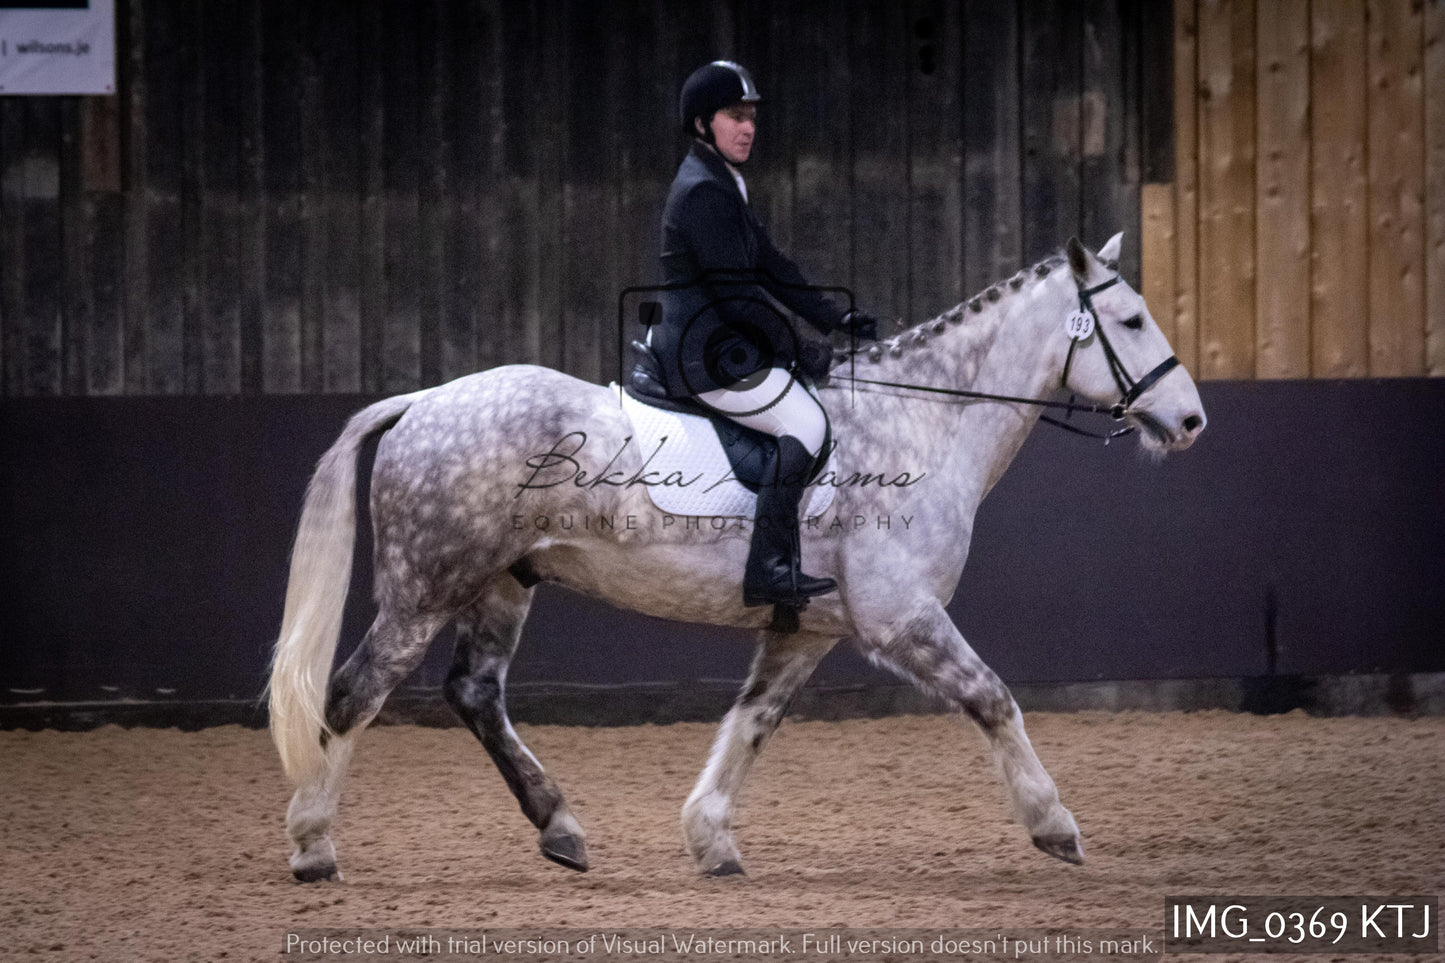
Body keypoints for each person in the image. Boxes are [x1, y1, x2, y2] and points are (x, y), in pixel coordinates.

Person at [650, 60, 882, 610]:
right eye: (735, 116)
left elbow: (770, 265)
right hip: (703, 357)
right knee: (806, 425)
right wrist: (804, 352)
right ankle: (770, 571)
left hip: (722, 343)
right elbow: (739, 299)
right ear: (703, 124)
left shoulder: (722, 179)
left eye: (751, 116)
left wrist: (834, 317)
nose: (749, 127)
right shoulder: (703, 192)